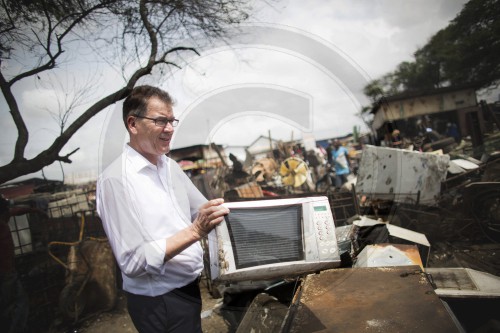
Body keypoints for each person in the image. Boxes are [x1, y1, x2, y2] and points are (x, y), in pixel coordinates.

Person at [96, 85, 229, 333]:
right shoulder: (115, 180)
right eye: (160, 121)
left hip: (188, 290)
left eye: (171, 121)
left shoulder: (169, 167)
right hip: (159, 301)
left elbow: (202, 210)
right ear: (133, 124)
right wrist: (195, 231)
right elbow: (133, 260)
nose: (169, 129)